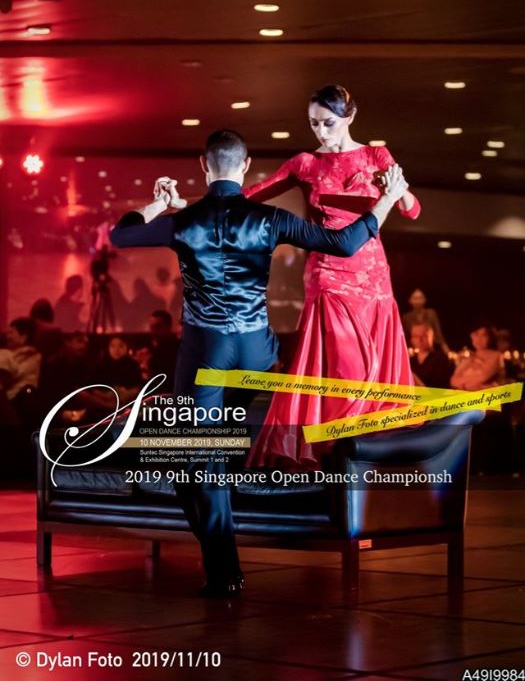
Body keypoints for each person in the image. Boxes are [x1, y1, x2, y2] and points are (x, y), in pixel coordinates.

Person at [110, 128, 407, 598]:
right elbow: (346, 243)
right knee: (193, 450)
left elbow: (121, 234)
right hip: (258, 357)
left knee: (193, 457)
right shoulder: (270, 218)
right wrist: (386, 201)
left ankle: (224, 571)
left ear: (204, 165)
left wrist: (156, 204)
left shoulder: (184, 221)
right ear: (245, 167)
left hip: (207, 357)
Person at [244, 84, 421, 468]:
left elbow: (412, 210)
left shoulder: (376, 155)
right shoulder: (305, 163)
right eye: (314, 123)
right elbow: (252, 194)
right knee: (347, 367)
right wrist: (201, 205)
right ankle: (333, 448)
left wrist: (397, 191)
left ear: (349, 117)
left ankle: (362, 458)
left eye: (328, 123)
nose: (321, 132)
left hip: (373, 276)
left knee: (375, 368)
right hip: (328, 274)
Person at [451, 325, 505, 391]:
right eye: (476, 334)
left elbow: (483, 376)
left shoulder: (495, 356)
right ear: (471, 336)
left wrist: (463, 382)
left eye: (484, 335)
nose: (479, 338)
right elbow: (453, 381)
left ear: (490, 337)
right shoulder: (468, 358)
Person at [402, 288, 449, 353]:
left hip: (431, 350)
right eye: (415, 298)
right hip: (414, 352)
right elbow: (405, 338)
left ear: (424, 300)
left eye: (420, 298)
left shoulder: (431, 314)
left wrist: (448, 353)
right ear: (410, 300)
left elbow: (439, 336)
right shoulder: (406, 318)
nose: (418, 301)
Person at [410, 323, 454, 389]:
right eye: (416, 336)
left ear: (432, 337)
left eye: (424, 336)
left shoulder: (441, 359)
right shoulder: (410, 361)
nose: (420, 340)